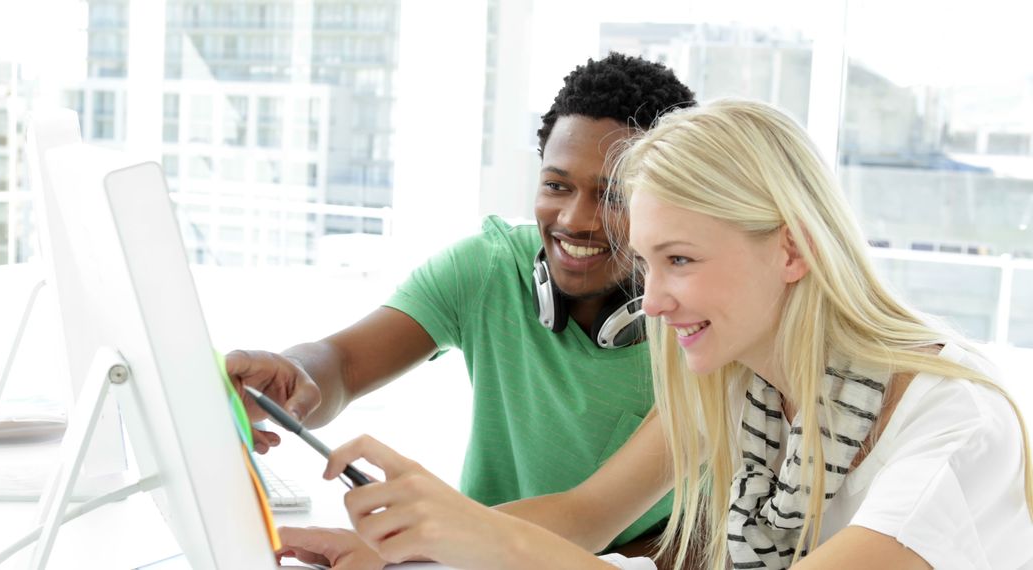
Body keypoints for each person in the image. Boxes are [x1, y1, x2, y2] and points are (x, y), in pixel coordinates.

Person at [289, 99, 1033, 570]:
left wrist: (478, 538)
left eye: (680, 260)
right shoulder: (736, 371)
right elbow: (585, 515)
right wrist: (398, 546)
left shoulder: (956, 427)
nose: (654, 301)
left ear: (793, 248)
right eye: (647, 263)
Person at [228, 51, 697, 563]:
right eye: (556, 185)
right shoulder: (488, 268)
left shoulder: (700, 329)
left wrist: (395, 547)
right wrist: (293, 375)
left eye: (612, 196)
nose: (573, 218)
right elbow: (342, 362)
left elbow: (584, 520)